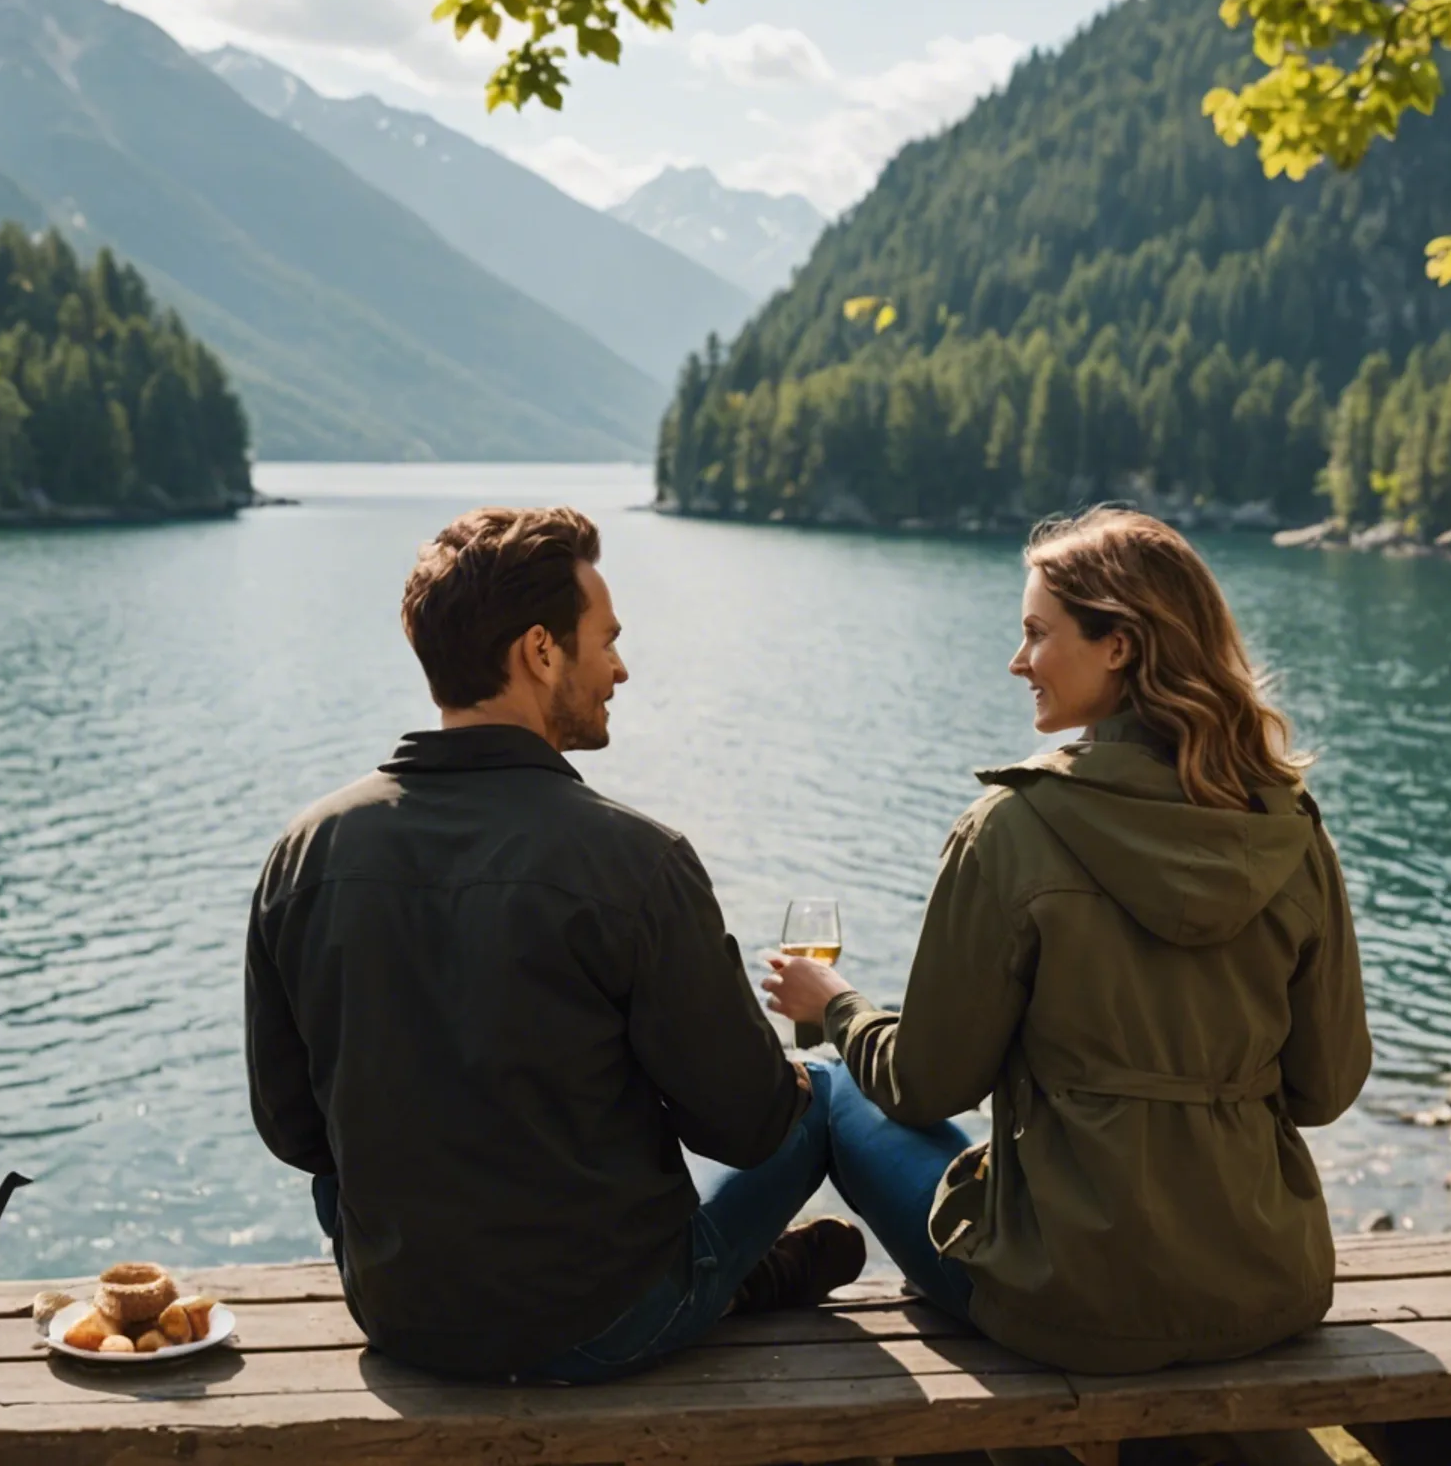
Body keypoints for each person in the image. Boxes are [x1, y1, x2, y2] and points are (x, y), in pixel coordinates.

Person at [246, 504, 865, 1383]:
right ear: (540, 651)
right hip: (605, 1323)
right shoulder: (638, 861)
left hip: (401, 1314)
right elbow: (749, 1124)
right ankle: (725, 1283)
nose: (620, 666)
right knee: (825, 1093)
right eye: (605, 639)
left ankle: (729, 1280)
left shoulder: (303, 850)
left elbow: (292, 1128)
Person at [764, 504, 1372, 1378]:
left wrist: (839, 1009)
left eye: (1037, 634)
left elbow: (926, 1082)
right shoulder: (1290, 827)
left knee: (832, 1093)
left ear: (1117, 644)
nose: (1019, 661)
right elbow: (1326, 1089)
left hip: (1070, 1301)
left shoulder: (1010, 828)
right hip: (1266, 1284)